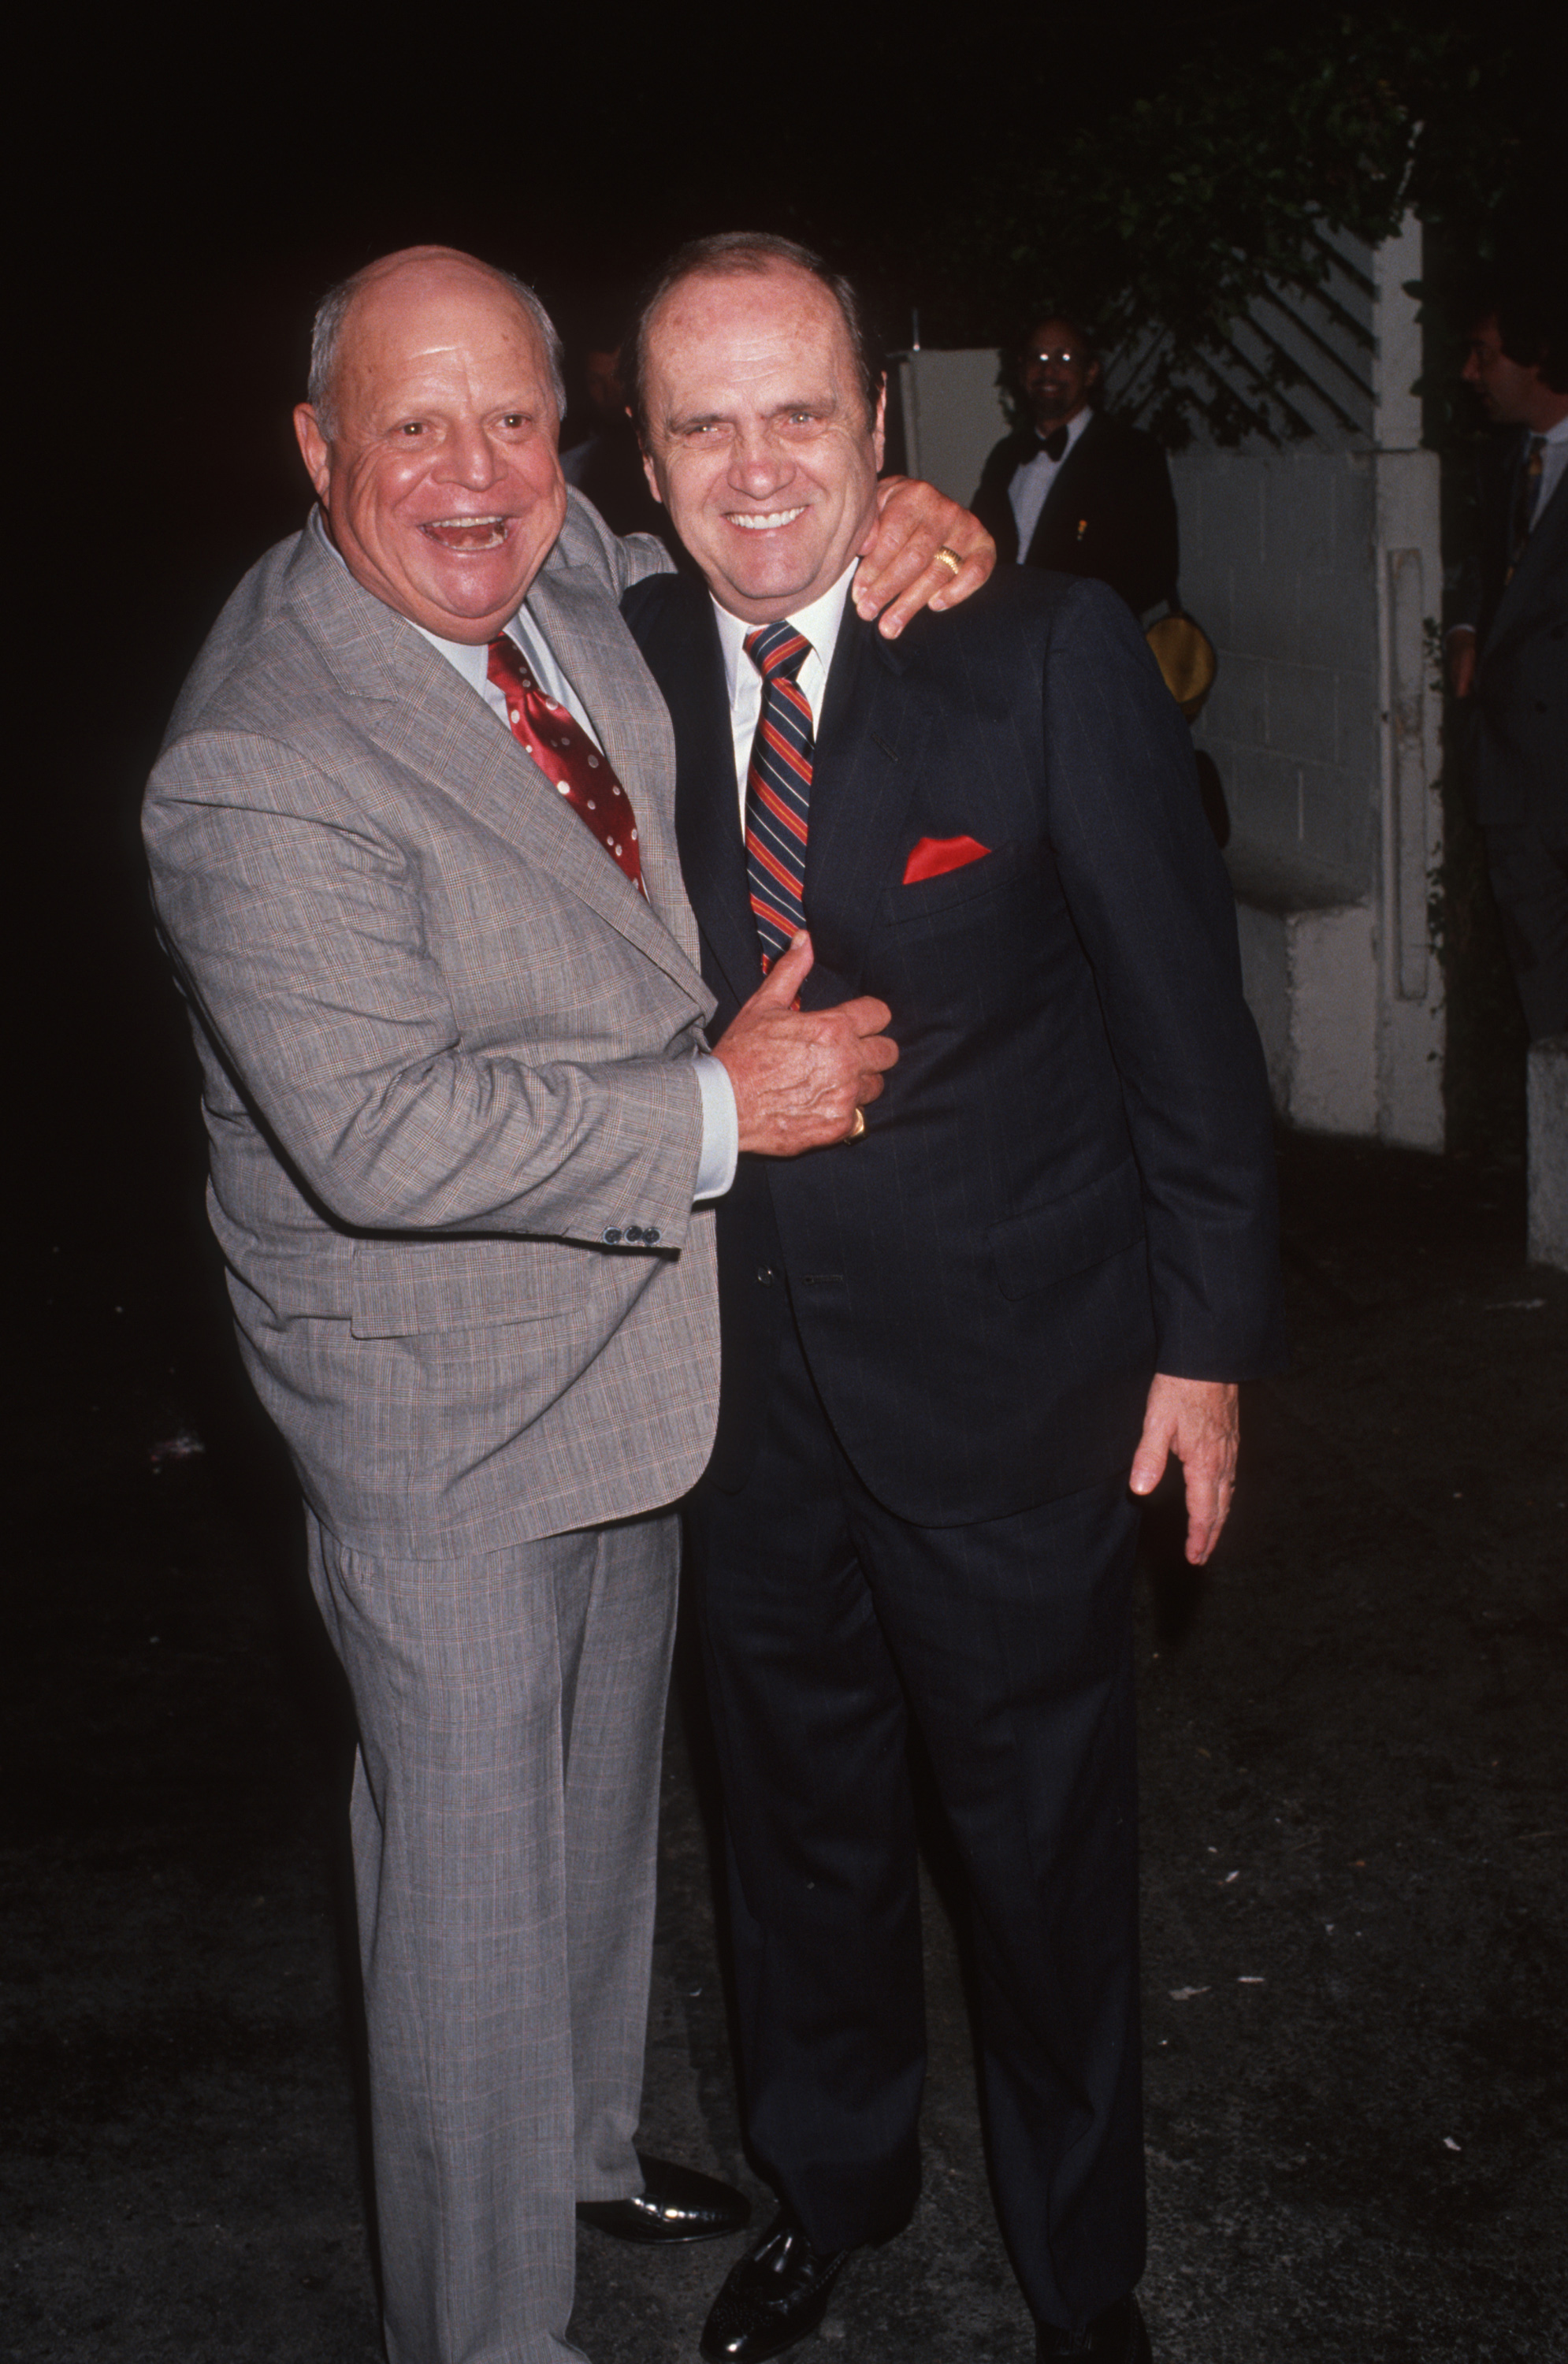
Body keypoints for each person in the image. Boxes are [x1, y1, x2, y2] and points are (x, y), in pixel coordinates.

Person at [140, 243, 994, 2364]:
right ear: (314, 449)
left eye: (513, 418)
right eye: (410, 427)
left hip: (631, 1338)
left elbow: (740, 521)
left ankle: (588, 2144)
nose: (471, 476)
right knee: (463, 1903)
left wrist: (915, 514)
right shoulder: (253, 756)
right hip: (439, 1399)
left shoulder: (560, 559)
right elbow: (383, 1138)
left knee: (604, 1790)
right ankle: (489, 2324)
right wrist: (723, 1105)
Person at [622, 234, 1285, 2364]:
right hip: (734, 1399)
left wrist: (1203, 1346)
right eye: (700, 422)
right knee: (793, 1834)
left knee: (1037, 1861)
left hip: (1015, 1383)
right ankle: (830, 2194)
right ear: (639, 458)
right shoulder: (604, 668)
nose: (753, 469)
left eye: (798, 413)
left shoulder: (1038, 651)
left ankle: (1080, 2275)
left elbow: (1186, 1036)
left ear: (881, 425)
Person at [1447, 276, 1568, 1042]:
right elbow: (1479, 569)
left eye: (1483, 355)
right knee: (1547, 1008)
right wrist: (1463, 627)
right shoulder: (1501, 463)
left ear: (1539, 361)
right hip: (1513, 784)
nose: (1468, 374)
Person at [971, 313, 1178, 617]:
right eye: (1037, 357)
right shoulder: (1005, 455)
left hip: (1086, 644)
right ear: (1022, 370)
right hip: (1004, 636)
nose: (1048, 370)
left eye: (1064, 357)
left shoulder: (1132, 454)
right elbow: (975, 544)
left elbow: (1156, 571)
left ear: (1091, 372)